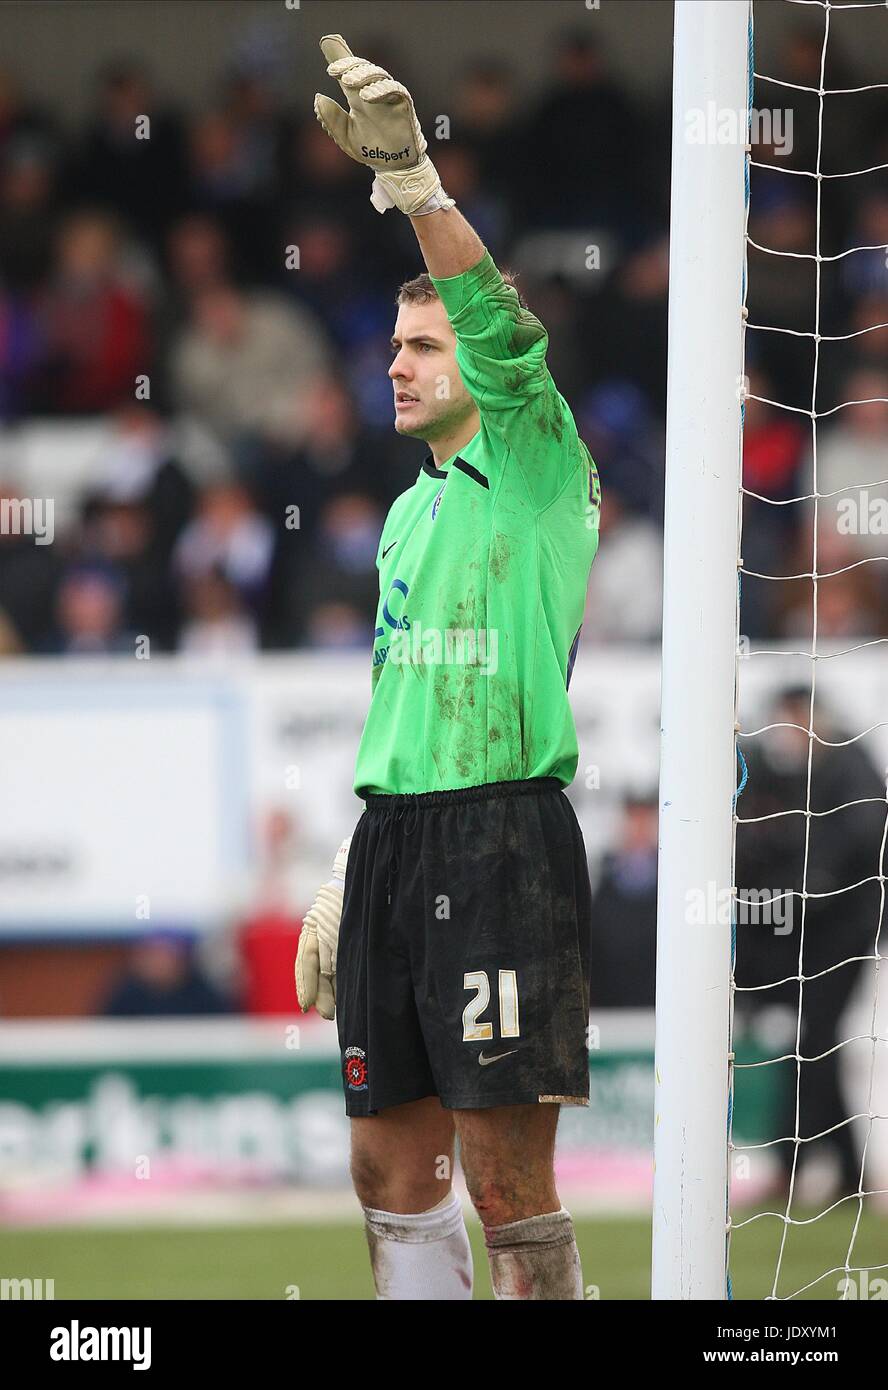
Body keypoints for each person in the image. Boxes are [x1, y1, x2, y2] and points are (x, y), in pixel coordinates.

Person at [295, 36, 601, 1302]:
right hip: (397, 839)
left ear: (483, 367)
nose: (398, 363)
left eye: (424, 347)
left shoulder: (534, 465)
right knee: (386, 1167)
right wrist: (343, 861)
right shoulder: (409, 515)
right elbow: (396, 692)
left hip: (501, 843)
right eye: (393, 347)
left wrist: (416, 185)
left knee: (502, 1174)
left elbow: (499, 323)